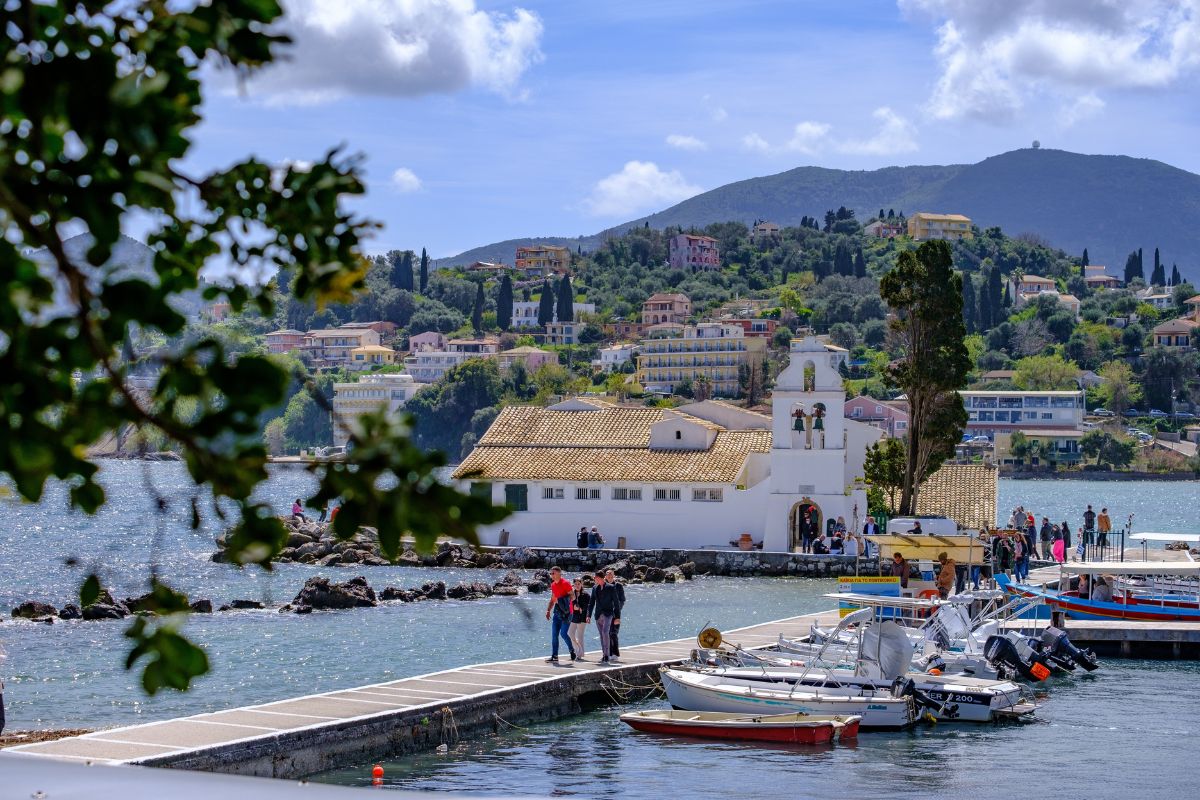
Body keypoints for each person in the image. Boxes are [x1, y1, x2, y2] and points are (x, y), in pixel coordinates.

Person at [544, 567, 577, 663]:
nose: (551, 575)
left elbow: (573, 596)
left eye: (553, 573)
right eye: (550, 573)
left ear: (558, 573)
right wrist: (548, 610)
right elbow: (553, 598)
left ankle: (571, 650)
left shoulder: (565, 583)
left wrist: (563, 601)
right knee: (554, 634)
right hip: (557, 611)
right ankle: (554, 656)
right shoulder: (553, 585)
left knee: (563, 633)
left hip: (567, 612)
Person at [591, 570, 620, 664]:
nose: (594, 579)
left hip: (608, 614)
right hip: (598, 614)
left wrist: (617, 617)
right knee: (601, 635)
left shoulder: (611, 587)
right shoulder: (595, 588)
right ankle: (604, 654)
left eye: (595, 578)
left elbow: (616, 603)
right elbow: (591, 603)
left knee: (605, 632)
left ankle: (607, 655)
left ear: (600, 578)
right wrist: (588, 615)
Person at [568, 577, 591, 660]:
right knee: (570, 633)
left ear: (581, 584)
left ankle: (580, 655)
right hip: (574, 617)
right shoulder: (572, 594)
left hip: (582, 617)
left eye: (579, 584)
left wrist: (580, 608)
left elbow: (588, 606)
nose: (577, 586)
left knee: (580, 636)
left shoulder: (586, 595)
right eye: (576, 584)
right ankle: (579, 649)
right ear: (573, 585)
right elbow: (569, 604)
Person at [606, 568, 625, 663]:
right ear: (605, 576)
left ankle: (615, 654)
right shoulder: (603, 586)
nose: (609, 576)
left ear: (614, 576)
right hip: (605, 614)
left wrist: (617, 611)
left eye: (611, 574)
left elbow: (622, 600)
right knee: (606, 634)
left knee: (614, 633)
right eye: (608, 574)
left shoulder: (619, 586)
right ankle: (608, 653)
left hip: (616, 614)